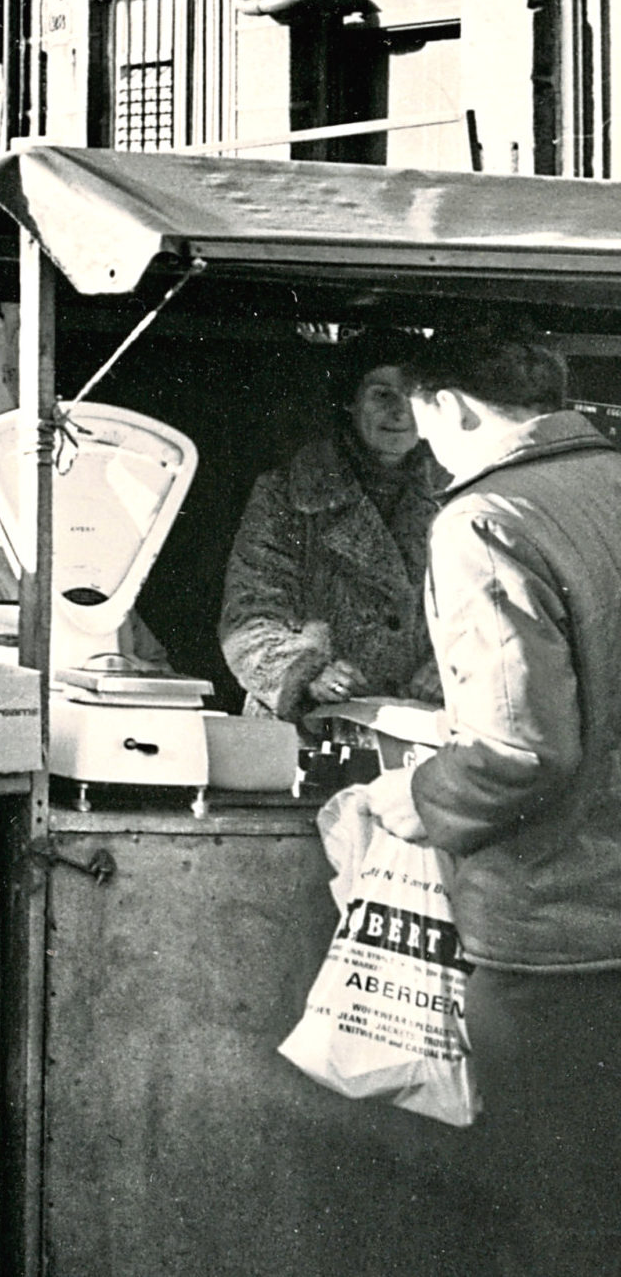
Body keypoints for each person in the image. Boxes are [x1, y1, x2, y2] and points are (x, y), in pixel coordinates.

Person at [365, 324, 621, 1274]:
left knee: (551, 1227)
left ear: (449, 407)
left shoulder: (486, 519)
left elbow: (520, 750)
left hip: (557, 940)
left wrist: (418, 799)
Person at [218, 333, 445, 717]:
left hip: (422, 724)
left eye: (413, 395)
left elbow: (493, 615)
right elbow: (249, 612)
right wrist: (305, 674)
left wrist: (454, 668)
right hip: (306, 725)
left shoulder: (457, 494)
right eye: (382, 395)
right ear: (349, 402)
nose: (401, 412)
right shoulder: (286, 494)